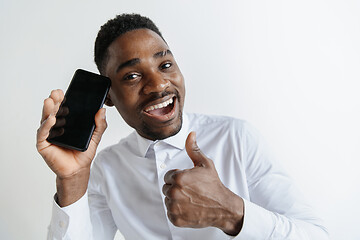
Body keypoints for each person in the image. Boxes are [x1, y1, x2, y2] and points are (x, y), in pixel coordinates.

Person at [37, 13, 329, 240]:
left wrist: (231, 211)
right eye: (132, 76)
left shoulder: (237, 138)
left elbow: (317, 236)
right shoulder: (106, 169)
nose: (159, 84)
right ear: (108, 96)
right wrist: (71, 181)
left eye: (165, 65)